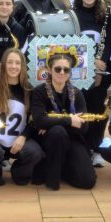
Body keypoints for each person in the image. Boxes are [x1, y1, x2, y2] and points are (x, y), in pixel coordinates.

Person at [31, 47, 97, 190]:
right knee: (57, 132)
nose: (62, 72)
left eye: (66, 70)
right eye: (58, 69)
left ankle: (62, 168)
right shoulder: (39, 92)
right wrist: (69, 121)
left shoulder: (77, 94)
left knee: (87, 181)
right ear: (49, 69)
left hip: (73, 139)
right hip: (49, 141)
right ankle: (52, 180)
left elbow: (84, 127)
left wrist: (51, 122)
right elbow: (38, 121)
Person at [0, 48, 44, 186]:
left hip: (17, 140)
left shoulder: (29, 89)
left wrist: (24, 136)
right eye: (10, 62)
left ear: (22, 66)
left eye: (17, 63)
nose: (13, 66)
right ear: (3, 64)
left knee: (35, 152)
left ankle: (18, 171)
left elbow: (34, 121)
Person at [73, 0, 111, 168]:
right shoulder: (73, 15)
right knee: (82, 109)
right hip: (80, 70)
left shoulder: (106, 15)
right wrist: (90, 62)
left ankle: (96, 149)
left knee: (98, 109)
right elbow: (72, 45)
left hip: (101, 72)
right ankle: (82, 148)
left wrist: (99, 68)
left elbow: (109, 42)